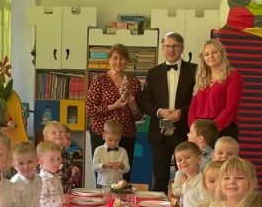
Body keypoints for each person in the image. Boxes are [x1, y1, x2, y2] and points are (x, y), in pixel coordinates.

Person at [139, 32, 197, 193]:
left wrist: (181, 112)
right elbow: (144, 102)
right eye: (167, 46)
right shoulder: (153, 72)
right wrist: (159, 112)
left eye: (175, 46)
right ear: (162, 48)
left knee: (187, 176)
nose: (171, 50)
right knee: (159, 178)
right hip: (159, 133)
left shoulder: (194, 70)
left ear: (182, 48)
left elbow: (198, 100)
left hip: (184, 131)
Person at [86, 43, 142, 168]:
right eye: (115, 58)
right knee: (102, 172)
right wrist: (113, 106)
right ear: (109, 60)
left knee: (124, 173)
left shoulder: (134, 82)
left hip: (126, 135)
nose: (118, 62)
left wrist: (133, 104)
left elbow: (139, 116)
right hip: (102, 134)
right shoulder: (99, 80)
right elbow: (90, 110)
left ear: (127, 61)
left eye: (122, 58)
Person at [189, 38, 243, 139]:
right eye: (206, 54)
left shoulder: (233, 76)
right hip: (200, 131)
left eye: (215, 52)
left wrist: (211, 129)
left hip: (223, 129)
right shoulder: (202, 77)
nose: (211, 56)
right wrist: (194, 129)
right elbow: (193, 108)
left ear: (222, 53)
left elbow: (231, 108)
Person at [171, 141, 203, 207]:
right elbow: (188, 205)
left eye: (187, 157)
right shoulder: (187, 182)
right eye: (179, 160)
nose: (183, 162)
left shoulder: (203, 183)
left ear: (199, 159)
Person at [37, 139, 64, 207]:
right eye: (52, 159)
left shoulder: (54, 176)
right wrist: (61, 199)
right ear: (40, 161)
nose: (56, 162)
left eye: (58, 159)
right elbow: (42, 201)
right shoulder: (42, 180)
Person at [92, 119, 130, 189]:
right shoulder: (99, 150)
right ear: (104, 136)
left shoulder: (123, 151)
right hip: (102, 184)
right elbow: (94, 167)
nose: (113, 143)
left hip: (118, 185)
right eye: (110, 140)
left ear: (120, 138)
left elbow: (127, 168)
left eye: (116, 141)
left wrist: (122, 166)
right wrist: (104, 165)